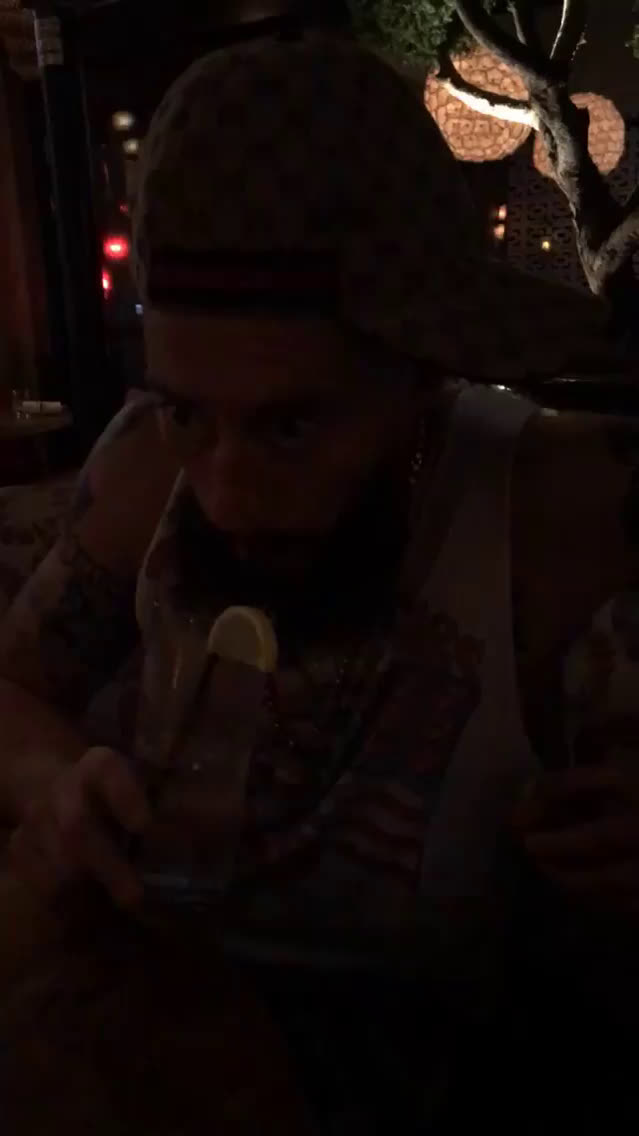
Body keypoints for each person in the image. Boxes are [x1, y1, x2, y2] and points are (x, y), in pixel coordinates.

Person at [1, 28, 639, 1134]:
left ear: (421, 373)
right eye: (189, 411)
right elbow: (10, 691)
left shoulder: (562, 516)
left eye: (290, 425)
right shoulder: (147, 459)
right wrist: (56, 778)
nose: (223, 494)